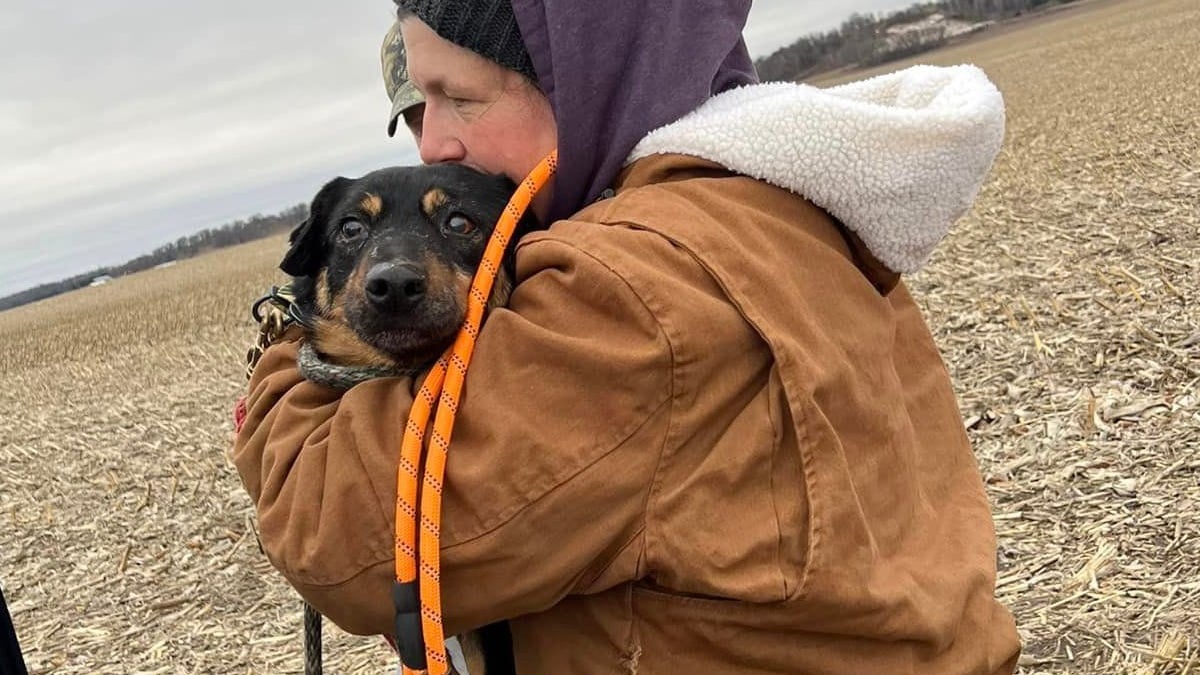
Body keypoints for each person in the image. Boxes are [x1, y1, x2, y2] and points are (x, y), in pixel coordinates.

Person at [232, 0, 1022, 672]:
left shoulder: (631, 288)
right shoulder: (762, 199)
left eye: (457, 97)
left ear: (585, 78)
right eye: (416, 111)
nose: (431, 141)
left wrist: (289, 352)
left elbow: (350, 546)